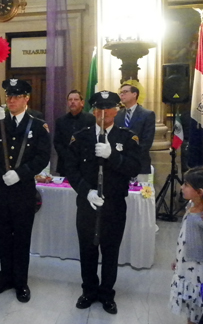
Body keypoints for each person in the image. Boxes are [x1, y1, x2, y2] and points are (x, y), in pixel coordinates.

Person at [65, 90, 141, 315]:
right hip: (87, 204)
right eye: (98, 109)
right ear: (93, 110)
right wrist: (85, 191)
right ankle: (88, 290)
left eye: (108, 109)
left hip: (115, 205)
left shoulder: (128, 138)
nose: (103, 113)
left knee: (110, 250)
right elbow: (70, 168)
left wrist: (113, 156)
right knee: (87, 249)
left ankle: (107, 293)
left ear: (116, 110)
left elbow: (134, 167)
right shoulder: (81, 136)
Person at [0, 79, 51, 303]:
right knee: (1, 233)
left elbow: (43, 156)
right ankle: (4, 277)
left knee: (21, 234)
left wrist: (21, 173)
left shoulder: (37, 124)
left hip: (22, 188)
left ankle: (20, 281)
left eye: (16, 96)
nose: (11, 100)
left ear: (26, 98)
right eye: (9, 96)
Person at [169, 167, 203, 324]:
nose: (181, 187)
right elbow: (185, 237)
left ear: (200, 192)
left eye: (186, 184)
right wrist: (178, 258)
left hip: (200, 270)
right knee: (190, 306)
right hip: (186, 265)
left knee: (197, 307)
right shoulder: (190, 205)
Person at [114, 83, 155, 181]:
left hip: (139, 164)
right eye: (120, 93)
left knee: (139, 194)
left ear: (134, 94)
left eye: (125, 92)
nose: (122, 95)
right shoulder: (117, 115)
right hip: (120, 165)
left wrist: (130, 157)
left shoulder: (147, 114)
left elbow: (147, 141)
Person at [53, 90, 96, 177]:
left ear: (82, 103)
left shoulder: (91, 119)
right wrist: (68, 157)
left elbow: (93, 140)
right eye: (70, 100)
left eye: (76, 99)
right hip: (65, 164)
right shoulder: (60, 121)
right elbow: (57, 142)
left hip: (86, 165)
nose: (72, 102)